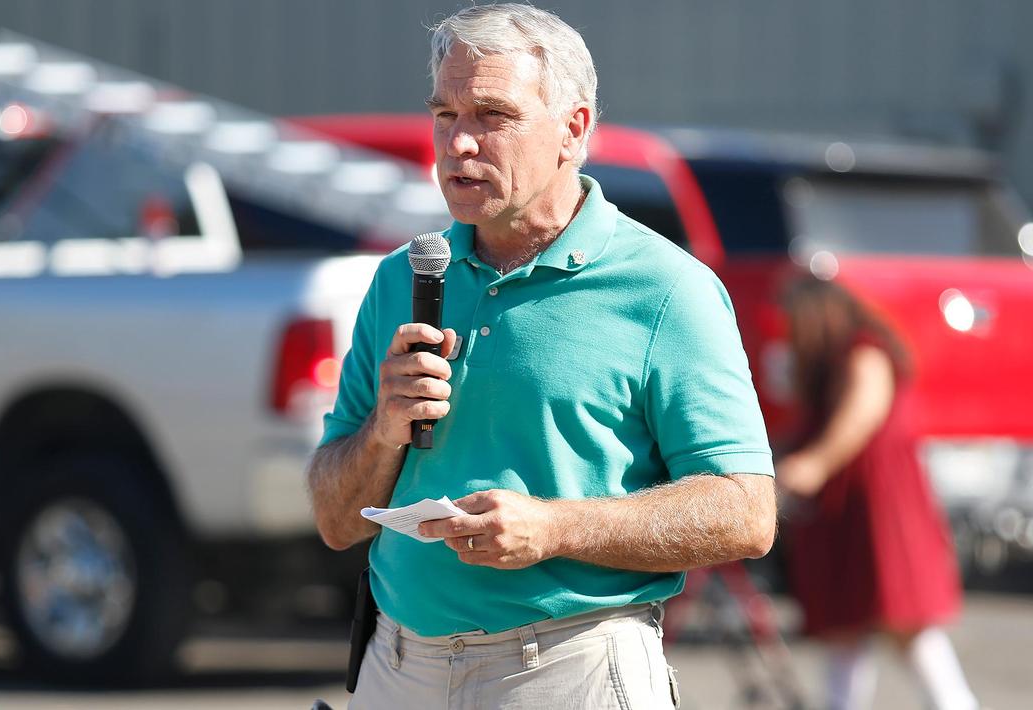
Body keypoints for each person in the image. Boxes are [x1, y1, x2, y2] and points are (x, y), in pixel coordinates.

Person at [307, 5, 776, 707]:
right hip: (397, 665)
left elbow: (745, 512)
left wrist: (553, 527)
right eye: (445, 114)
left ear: (574, 130)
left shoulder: (665, 289)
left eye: (491, 115)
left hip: (568, 665)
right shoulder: (404, 278)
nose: (459, 144)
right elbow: (335, 520)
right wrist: (382, 431)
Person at [776, 277, 978, 710]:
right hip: (851, 509)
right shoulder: (835, 361)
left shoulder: (863, 351)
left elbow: (862, 413)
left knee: (906, 621)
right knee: (850, 626)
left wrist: (815, 463)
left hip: (879, 508)